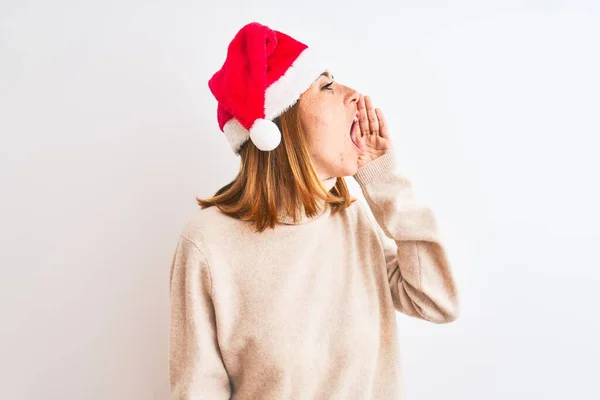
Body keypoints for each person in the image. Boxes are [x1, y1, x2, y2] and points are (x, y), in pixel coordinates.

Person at [168, 21, 459, 399]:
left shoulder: (351, 218)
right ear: (280, 126)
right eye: (326, 86)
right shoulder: (207, 244)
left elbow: (436, 300)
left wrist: (384, 182)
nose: (354, 94)